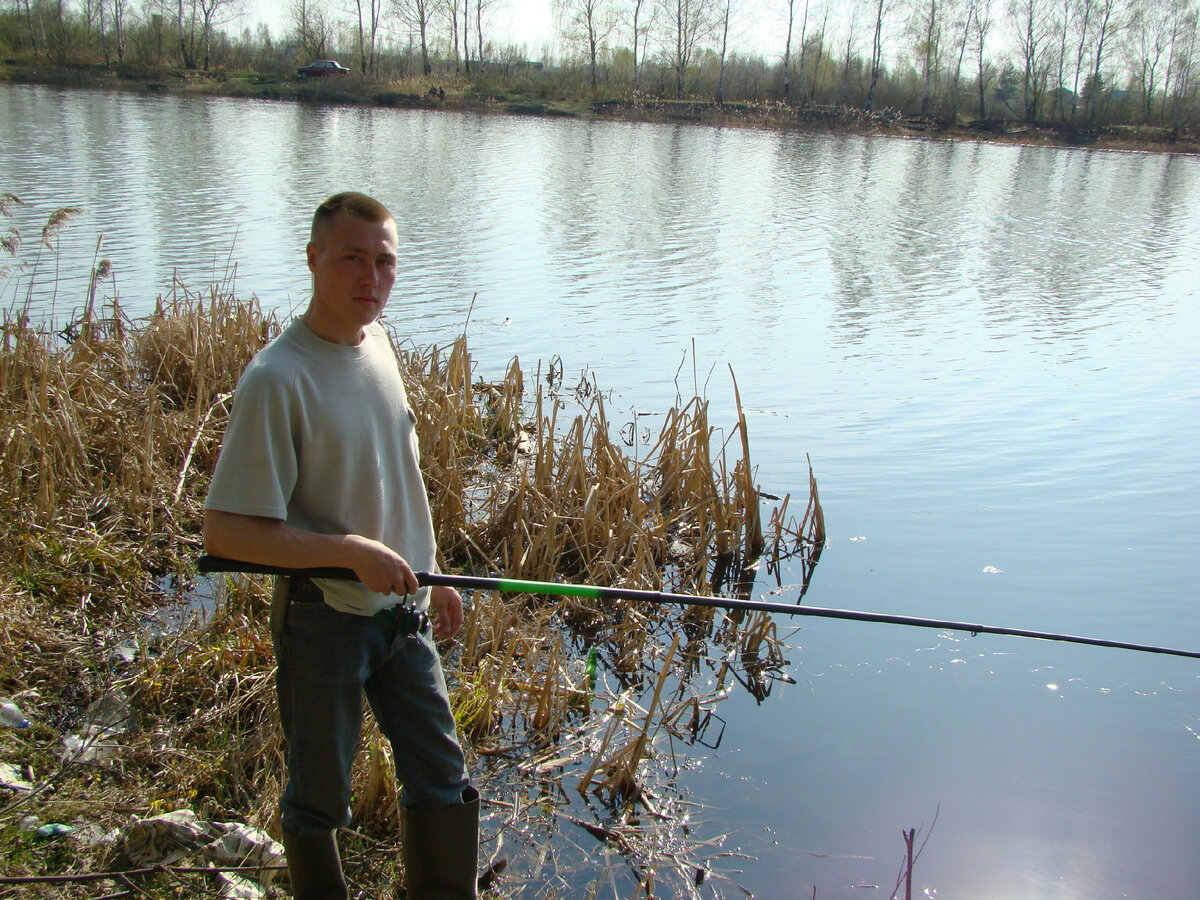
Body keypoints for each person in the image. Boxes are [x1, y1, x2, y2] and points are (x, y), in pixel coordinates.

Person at [203, 192, 478, 900]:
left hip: (402, 612)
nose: (371, 279)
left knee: (442, 779)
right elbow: (228, 532)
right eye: (352, 258)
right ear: (313, 259)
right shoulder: (277, 379)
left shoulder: (379, 343)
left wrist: (435, 570)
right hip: (323, 619)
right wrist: (350, 550)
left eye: (385, 262)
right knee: (319, 798)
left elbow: (402, 477)